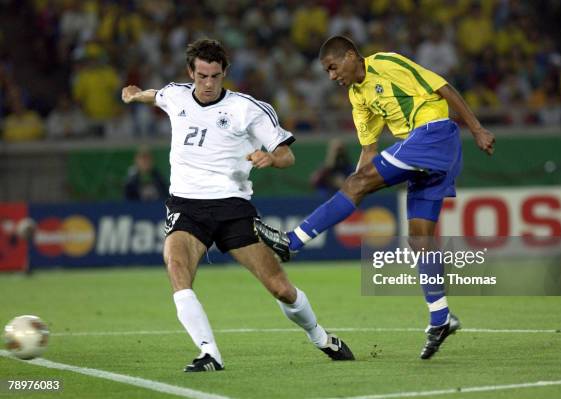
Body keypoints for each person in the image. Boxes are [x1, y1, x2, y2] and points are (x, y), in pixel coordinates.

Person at [255, 35, 495, 360]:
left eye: (333, 67)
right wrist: (357, 187)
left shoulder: (385, 63)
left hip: (433, 135)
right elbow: (369, 149)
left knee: (361, 187)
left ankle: (292, 241)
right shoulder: (358, 97)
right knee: (420, 239)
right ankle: (441, 317)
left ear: (351, 56)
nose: (332, 76)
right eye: (327, 71)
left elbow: (443, 87)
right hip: (423, 153)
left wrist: (477, 128)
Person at [121, 38, 354, 372]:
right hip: (187, 207)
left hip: (233, 208)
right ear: (191, 72)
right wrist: (135, 95)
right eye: (202, 76)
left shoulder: (247, 108)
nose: (208, 84)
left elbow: (288, 155)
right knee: (176, 266)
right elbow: (155, 95)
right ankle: (209, 353)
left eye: (215, 76)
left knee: (281, 289)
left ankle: (320, 337)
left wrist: (270, 158)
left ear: (224, 72)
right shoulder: (175, 94)